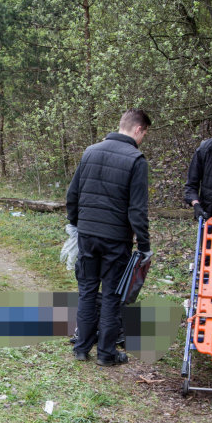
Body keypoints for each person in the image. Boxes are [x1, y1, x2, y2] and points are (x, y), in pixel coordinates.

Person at [66, 109, 152, 366]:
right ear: (138, 130)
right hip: (116, 239)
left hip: (88, 234)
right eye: (144, 133)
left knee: (87, 291)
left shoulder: (90, 151)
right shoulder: (137, 160)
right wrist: (144, 246)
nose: (143, 138)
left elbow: (73, 195)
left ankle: (81, 348)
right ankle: (106, 353)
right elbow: (137, 210)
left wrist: (75, 224)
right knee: (112, 294)